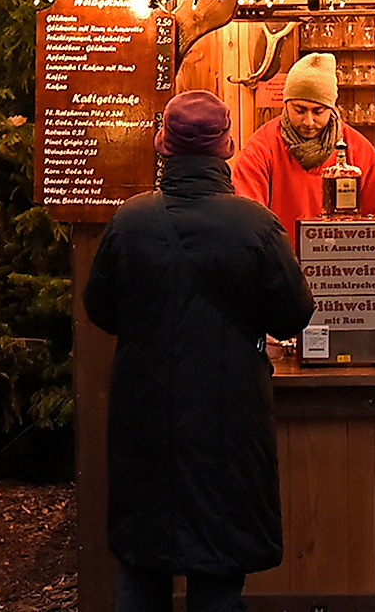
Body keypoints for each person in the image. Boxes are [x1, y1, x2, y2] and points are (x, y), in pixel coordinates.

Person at [87, 91, 313, 612]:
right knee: (219, 565)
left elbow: (100, 307)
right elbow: (294, 314)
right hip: (228, 419)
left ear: (163, 146)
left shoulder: (129, 222)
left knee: (142, 563)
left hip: (144, 415)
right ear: (226, 147)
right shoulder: (256, 225)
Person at [231, 52, 375, 240]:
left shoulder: (359, 150)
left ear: (332, 108)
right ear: (286, 104)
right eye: (299, 110)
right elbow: (246, 224)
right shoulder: (260, 149)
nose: (308, 121)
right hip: (280, 258)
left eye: (318, 111)